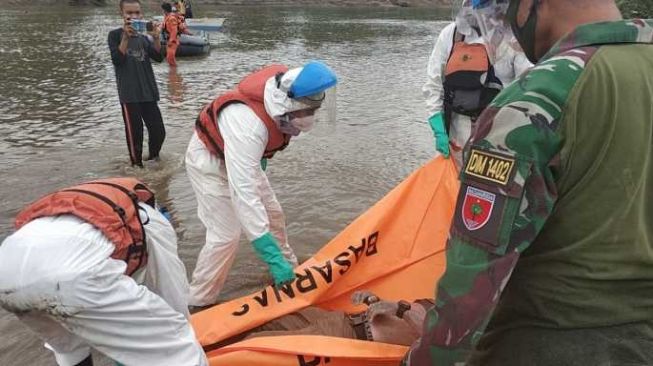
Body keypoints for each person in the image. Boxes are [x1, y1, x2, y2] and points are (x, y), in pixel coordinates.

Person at [405, 0, 653, 365]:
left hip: (550, 342)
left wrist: (420, 361)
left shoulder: (536, 101)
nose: (506, 25)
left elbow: (472, 284)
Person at [0, 178, 207, 366]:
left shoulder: (93, 209)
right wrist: (175, 335)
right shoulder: (153, 222)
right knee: (179, 345)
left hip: (7, 267)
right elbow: (172, 295)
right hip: (72, 274)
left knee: (69, 348)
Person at [185, 62, 338, 308]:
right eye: (308, 111)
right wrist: (268, 253)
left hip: (244, 158)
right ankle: (199, 302)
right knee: (226, 236)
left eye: (315, 109)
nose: (313, 116)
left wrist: (279, 259)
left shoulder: (283, 97)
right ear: (290, 106)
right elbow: (244, 195)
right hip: (209, 162)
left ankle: (289, 269)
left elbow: (251, 169)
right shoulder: (248, 125)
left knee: (274, 214)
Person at [424, 0, 531, 167]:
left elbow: (528, 89)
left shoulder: (514, 39)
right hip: (454, 137)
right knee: (450, 189)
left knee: (487, 191)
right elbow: (434, 84)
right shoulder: (451, 34)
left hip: (498, 139)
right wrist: (437, 124)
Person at [218, 291, 432, 348]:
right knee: (262, 318)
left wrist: (400, 308)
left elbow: (434, 336)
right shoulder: (439, 301)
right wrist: (372, 299)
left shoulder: (459, 334)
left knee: (255, 346)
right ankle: (205, 341)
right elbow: (397, 311)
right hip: (345, 319)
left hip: (347, 337)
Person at [108, 0, 166, 168]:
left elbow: (158, 57)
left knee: (158, 132)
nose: (134, 16)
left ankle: (154, 161)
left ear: (141, 14)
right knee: (136, 137)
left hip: (148, 92)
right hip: (129, 95)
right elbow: (117, 60)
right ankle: (136, 169)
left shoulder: (143, 37)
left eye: (137, 13)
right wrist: (126, 38)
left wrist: (156, 38)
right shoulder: (115, 35)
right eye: (129, 13)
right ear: (122, 14)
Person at [161, 2, 192, 67]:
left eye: (162, 9)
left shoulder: (171, 18)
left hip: (173, 41)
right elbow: (163, 26)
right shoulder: (167, 17)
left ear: (164, 10)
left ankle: (175, 72)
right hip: (168, 39)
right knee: (169, 58)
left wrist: (171, 40)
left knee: (170, 57)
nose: (162, 11)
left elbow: (174, 30)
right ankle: (173, 72)